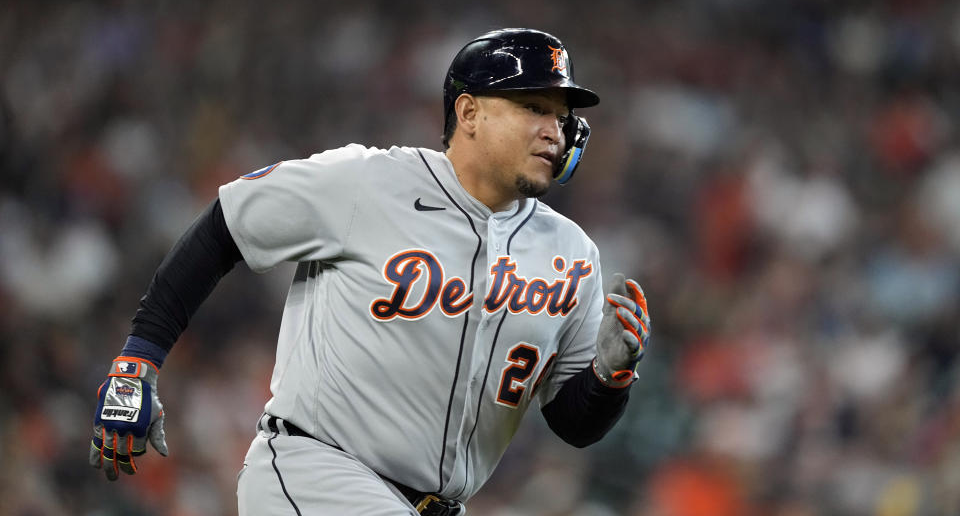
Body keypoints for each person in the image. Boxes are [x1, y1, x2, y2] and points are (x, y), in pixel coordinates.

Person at [89, 28, 652, 515]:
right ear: (470, 113)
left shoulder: (571, 252)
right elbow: (224, 228)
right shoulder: (365, 183)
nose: (555, 129)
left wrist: (609, 374)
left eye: (561, 114)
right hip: (318, 476)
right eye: (534, 107)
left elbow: (574, 425)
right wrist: (137, 362)